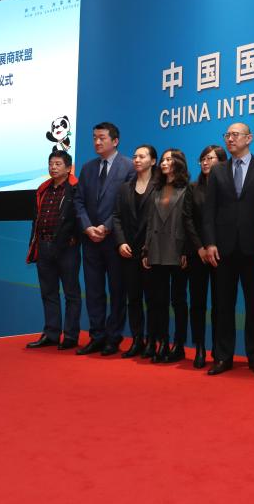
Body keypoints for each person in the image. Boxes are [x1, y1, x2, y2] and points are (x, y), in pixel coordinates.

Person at [202, 122, 254, 375]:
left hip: (253, 247)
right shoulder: (218, 171)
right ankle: (223, 357)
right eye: (227, 135)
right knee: (223, 305)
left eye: (235, 135)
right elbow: (209, 211)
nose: (230, 139)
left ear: (249, 138)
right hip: (223, 247)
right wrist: (210, 243)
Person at [73, 122, 134, 356]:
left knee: (117, 291)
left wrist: (106, 227)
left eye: (102, 138)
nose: (97, 142)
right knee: (94, 290)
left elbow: (127, 203)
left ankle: (113, 337)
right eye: (94, 138)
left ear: (115, 141)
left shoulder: (128, 166)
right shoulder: (88, 168)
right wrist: (88, 227)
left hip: (116, 240)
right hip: (90, 241)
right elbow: (78, 201)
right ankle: (96, 336)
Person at [25, 150, 82, 350]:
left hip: (67, 248)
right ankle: (51, 334)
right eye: (51, 164)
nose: (53, 167)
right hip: (44, 246)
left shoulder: (75, 189)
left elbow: (81, 216)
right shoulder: (43, 189)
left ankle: (71, 336)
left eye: (58, 164)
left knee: (71, 294)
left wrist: (74, 238)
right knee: (48, 293)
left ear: (68, 168)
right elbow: (36, 219)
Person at [142, 149, 195, 363]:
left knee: (178, 301)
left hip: (178, 250)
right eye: (163, 160)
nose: (164, 163)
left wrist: (186, 251)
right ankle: (162, 341)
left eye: (169, 160)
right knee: (158, 300)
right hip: (156, 250)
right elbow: (150, 222)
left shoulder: (188, 189)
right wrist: (146, 249)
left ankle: (178, 345)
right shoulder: (155, 189)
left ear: (179, 163)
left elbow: (190, 222)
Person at [112, 144, 158, 359]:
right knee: (133, 298)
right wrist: (120, 242)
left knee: (153, 300)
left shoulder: (160, 186)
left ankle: (152, 341)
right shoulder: (125, 188)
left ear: (153, 161)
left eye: (142, 156)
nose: (137, 160)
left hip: (152, 252)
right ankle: (137, 339)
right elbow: (116, 217)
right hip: (129, 252)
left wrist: (150, 246)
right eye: (135, 156)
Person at [184, 145, 227, 369]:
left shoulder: (228, 188)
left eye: (210, 158)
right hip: (197, 254)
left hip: (221, 253)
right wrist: (200, 247)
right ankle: (199, 347)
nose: (205, 162)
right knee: (197, 303)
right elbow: (187, 220)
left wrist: (215, 246)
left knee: (220, 304)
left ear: (222, 161)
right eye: (203, 158)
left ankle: (219, 351)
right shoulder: (193, 188)